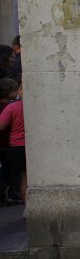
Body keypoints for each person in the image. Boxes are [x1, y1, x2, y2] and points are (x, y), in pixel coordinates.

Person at [0, 82, 25, 210]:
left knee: (22, 177)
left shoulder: (12, 107)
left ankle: (27, 207)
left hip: (16, 146)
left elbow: (1, 125)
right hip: (34, 146)